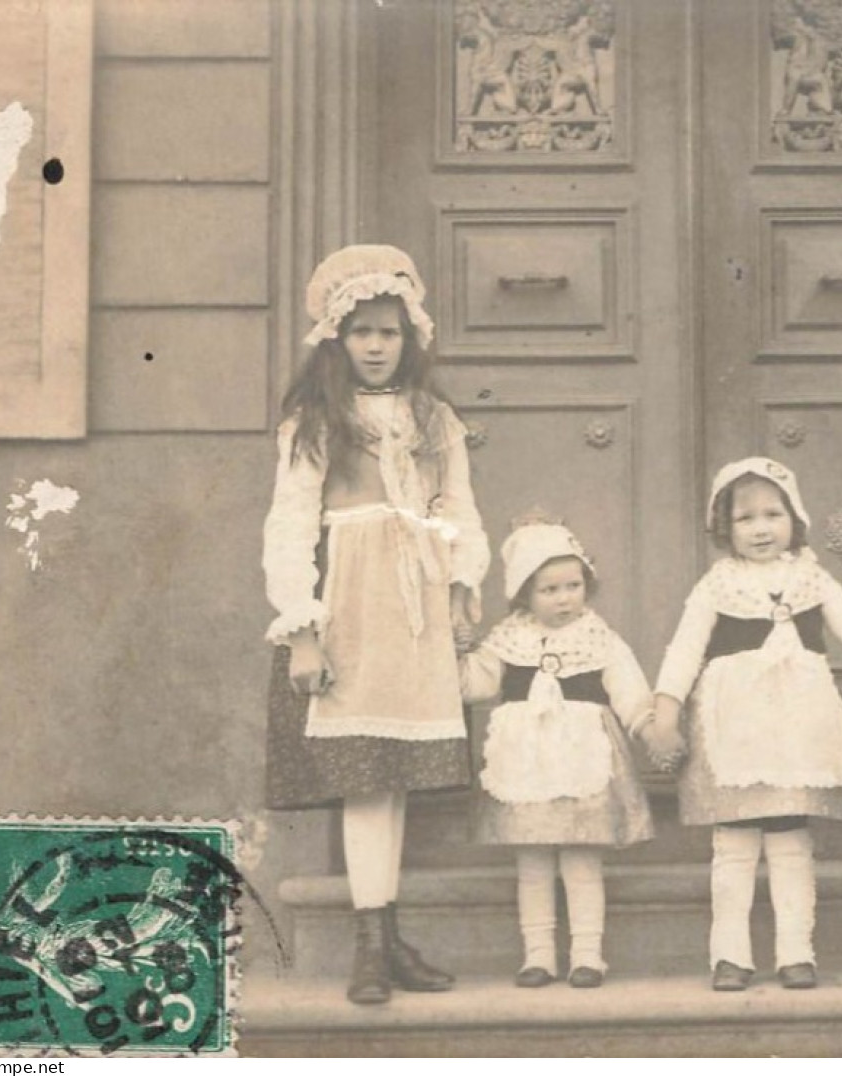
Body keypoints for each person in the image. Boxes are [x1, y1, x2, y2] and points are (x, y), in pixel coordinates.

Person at [262, 244, 490, 1004]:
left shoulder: (434, 417)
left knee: (393, 782)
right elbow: (290, 523)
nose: (374, 346)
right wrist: (302, 628)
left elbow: (455, 506)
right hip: (351, 602)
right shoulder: (316, 420)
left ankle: (387, 942)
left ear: (410, 337)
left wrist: (460, 583)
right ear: (334, 336)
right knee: (365, 781)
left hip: (416, 606)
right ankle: (370, 944)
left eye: (388, 332)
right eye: (359, 331)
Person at [651, 458, 842, 991]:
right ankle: (730, 956)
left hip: (796, 729)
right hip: (735, 731)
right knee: (735, 842)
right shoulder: (717, 584)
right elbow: (684, 650)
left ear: (795, 518)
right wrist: (666, 713)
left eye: (773, 513)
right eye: (745, 518)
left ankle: (797, 952)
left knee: (791, 840)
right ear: (725, 528)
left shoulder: (813, 578)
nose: (761, 527)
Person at [459, 523, 656, 989]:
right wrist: (457, 654)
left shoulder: (599, 637)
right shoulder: (507, 639)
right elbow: (476, 686)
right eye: (549, 589)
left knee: (582, 860)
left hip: (582, 759)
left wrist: (649, 725)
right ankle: (539, 955)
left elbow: (628, 688)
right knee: (532, 863)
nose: (564, 598)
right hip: (525, 764)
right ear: (524, 594)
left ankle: (588, 953)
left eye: (573, 586)